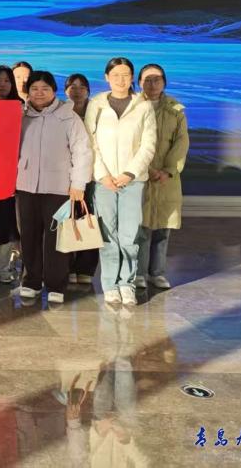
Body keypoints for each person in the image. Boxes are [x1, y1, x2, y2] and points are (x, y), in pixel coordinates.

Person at [15, 71, 93, 304]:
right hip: (25, 186)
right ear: (27, 92)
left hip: (59, 188)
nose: (39, 93)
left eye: (45, 89)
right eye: (34, 89)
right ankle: (31, 281)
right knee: (28, 235)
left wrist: (78, 184)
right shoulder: (21, 116)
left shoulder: (68, 117)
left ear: (54, 91)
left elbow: (82, 152)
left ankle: (56, 284)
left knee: (57, 238)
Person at [85, 57, 157, 306]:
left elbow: (148, 145)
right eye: (115, 74)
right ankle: (110, 284)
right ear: (106, 77)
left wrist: (130, 173)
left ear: (132, 77)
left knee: (129, 235)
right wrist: (102, 175)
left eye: (125, 74)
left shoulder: (143, 106)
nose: (120, 79)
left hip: (132, 181)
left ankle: (127, 283)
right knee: (107, 234)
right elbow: (90, 142)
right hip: (104, 181)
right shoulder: (97, 104)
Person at [136, 64, 189, 290]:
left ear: (164, 82)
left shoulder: (175, 109)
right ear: (139, 82)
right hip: (140, 174)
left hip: (167, 178)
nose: (152, 83)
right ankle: (138, 273)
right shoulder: (133, 107)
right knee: (140, 228)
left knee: (162, 229)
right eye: (147, 79)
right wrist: (146, 169)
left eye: (157, 79)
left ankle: (157, 273)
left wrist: (168, 170)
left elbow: (181, 142)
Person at [0, 65, 23, 284]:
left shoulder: (21, 107)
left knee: (9, 223)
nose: (2, 84)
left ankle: (4, 265)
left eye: (7, 81)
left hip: (14, 174)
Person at [64, 73, 98, 285]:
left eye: (81, 87)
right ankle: (66, 266)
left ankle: (85, 267)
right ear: (65, 90)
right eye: (72, 87)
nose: (77, 91)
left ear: (88, 90)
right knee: (67, 220)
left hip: (93, 175)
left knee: (89, 218)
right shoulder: (61, 112)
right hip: (66, 175)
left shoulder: (97, 112)